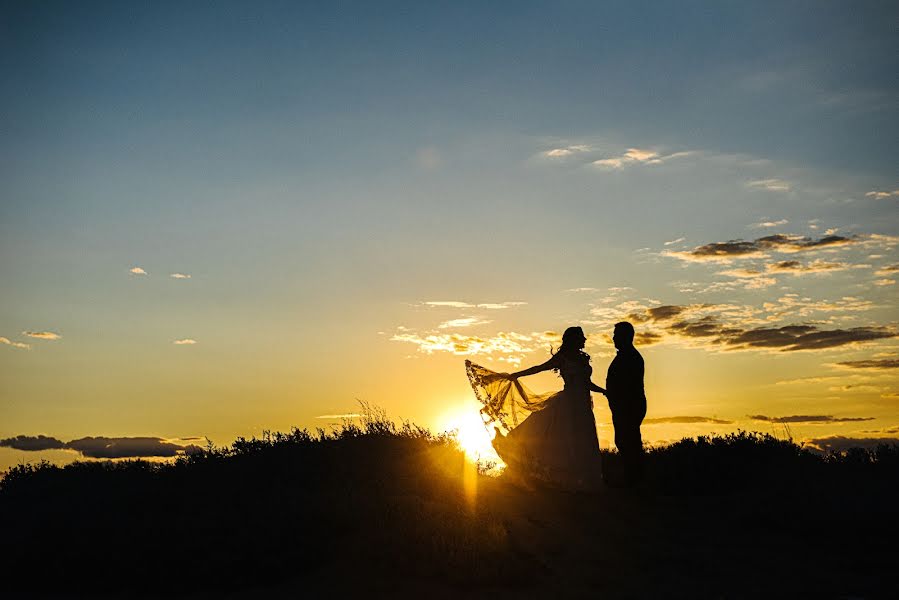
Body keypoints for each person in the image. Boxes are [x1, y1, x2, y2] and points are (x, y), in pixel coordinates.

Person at [465, 326, 604, 490]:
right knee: (564, 440)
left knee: (583, 440)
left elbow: (586, 383)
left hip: (583, 405)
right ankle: (563, 481)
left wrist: (603, 391)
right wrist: (516, 375)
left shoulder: (583, 359)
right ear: (573, 339)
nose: (584, 340)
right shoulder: (563, 357)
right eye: (581, 337)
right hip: (568, 404)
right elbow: (539, 368)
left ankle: (583, 482)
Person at [605, 321, 646, 487]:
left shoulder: (631, 357)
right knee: (625, 443)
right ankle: (632, 480)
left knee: (629, 444)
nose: (613, 338)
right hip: (624, 407)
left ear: (625, 336)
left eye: (616, 335)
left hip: (628, 407)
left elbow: (628, 385)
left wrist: (616, 399)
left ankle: (634, 483)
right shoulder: (626, 355)